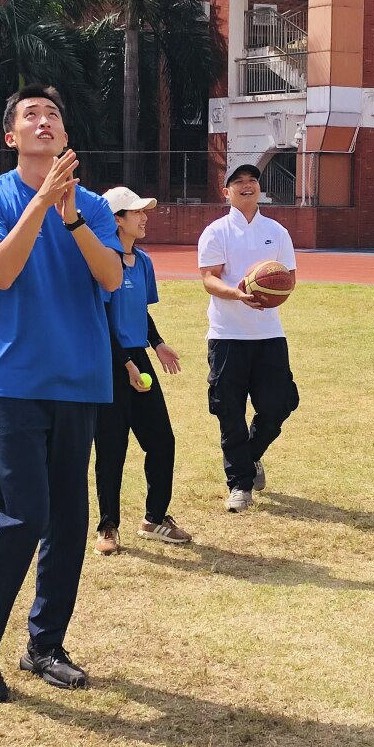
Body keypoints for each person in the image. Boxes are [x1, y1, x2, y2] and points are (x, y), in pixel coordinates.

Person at [0, 85, 123, 704]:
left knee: (69, 521)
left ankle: (45, 643)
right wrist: (41, 202)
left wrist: (70, 213)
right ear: (11, 136)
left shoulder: (96, 206)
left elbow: (111, 276)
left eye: (53, 113)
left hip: (78, 383)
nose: (44, 121)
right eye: (31, 115)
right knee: (24, 515)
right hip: (12, 382)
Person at [92, 186, 191, 555]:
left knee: (162, 441)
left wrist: (157, 343)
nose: (145, 217)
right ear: (117, 219)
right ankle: (107, 526)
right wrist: (126, 362)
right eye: (136, 213)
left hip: (138, 358)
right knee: (112, 447)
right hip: (109, 360)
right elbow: (101, 318)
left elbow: (138, 311)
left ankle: (154, 518)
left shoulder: (144, 261)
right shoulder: (104, 259)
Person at [197, 163, 298, 512]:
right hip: (227, 336)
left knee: (280, 404)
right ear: (226, 192)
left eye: (251, 180)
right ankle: (240, 485)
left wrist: (272, 293)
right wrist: (237, 294)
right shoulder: (216, 231)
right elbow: (209, 278)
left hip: (269, 334)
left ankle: (250, 457)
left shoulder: (277, 231)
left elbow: (289, 279)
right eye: (237, 182)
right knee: (230, 413)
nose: (246, 185)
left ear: (259, 188)